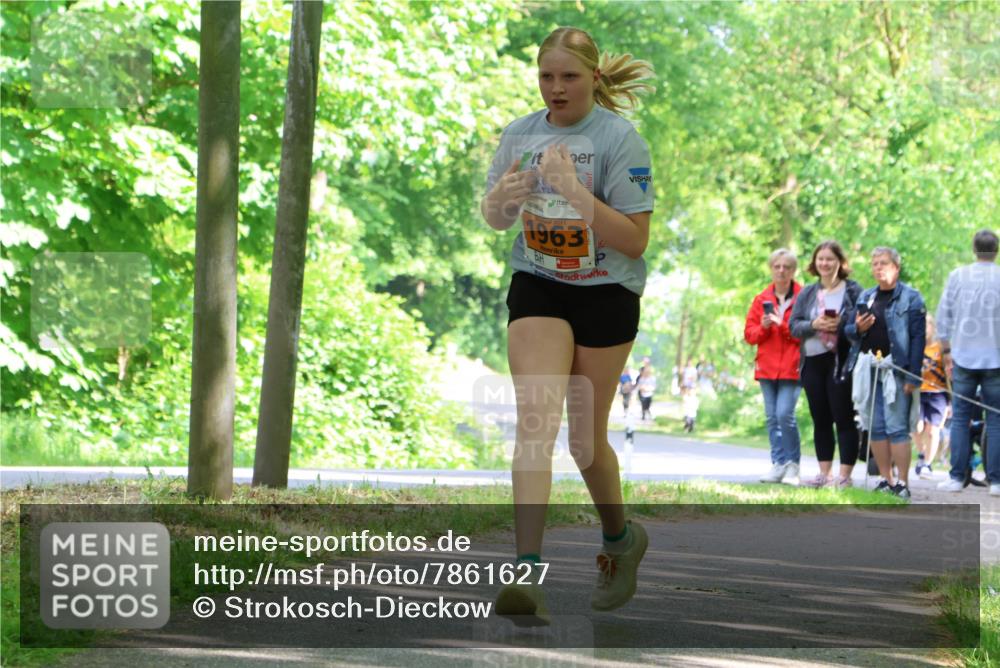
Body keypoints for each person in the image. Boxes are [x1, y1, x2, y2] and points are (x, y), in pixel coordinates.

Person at [481, 26, 654, 625]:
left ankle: (620, 541)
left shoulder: (619, 140)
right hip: (538, 284)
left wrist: (574, 191)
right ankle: (525, 574)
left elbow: (634, 239)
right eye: (546, 76)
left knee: (585, 442)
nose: (556, 88)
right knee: (535, 423)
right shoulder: (520, 134)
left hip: (605, 294)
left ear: (594, 79)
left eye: (569, 77)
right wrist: (504, 196)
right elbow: (494, 217)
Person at [846, 247, 926, 500]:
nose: (878, 268)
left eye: (883, 263)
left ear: (896, 267)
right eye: (874, 264)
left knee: (896, 427)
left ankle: (902, 483)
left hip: (897, 371)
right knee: (876, 427)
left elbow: (917, 338)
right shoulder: (867, 296)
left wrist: (912, 377)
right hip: (869, 371)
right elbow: (848, 332)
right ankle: (885, 479)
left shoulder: (912, 298)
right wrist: (857, 328)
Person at [789, 241, 864, 488]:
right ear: (814, 263)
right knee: (820, 418)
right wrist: (814, 325)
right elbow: (793, 326)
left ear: (840, 262)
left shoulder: (853, 290)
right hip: (812, 362)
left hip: (840, 362)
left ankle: (845, 476)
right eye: (820, 259)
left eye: (830, 259)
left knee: (843, 417)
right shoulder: (808, 293)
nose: (824, 263)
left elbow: (860, 324)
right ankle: (824, 473)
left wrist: (840, 325)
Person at [935, 230, 1000, 496]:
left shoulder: (958, 276)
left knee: (960, 417)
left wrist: (946, 349)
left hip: (963, 355)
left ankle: (956, 477)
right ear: (996, 250)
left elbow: (943, 314)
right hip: (996, 358)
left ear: (974, 249)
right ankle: (996, 481)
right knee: (995, 419)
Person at [744, 248, 803, 485]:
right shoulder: (761, 299)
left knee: (784, 414)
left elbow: (805, 333)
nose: (781, 271)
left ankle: (793, 466)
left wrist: (782, 326)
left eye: (786, 267)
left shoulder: (803, 296)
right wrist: (765, 327)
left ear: (793, 271)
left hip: (792, 367)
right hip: (767, 368)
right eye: (777, 266)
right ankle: (778, 464)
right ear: (771, 269)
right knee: (771, 417)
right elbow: (749, 335)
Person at [915, 314, 949, 479]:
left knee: (933, 429)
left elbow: (949, 375)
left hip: (938, 393)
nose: (925, 328)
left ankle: (927, 463)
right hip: (919, 392)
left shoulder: (939, 349)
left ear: (933, 327)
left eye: (928, 324)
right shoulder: (915, 347)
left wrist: (950, 402)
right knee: (917, 427)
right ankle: (921, 453)